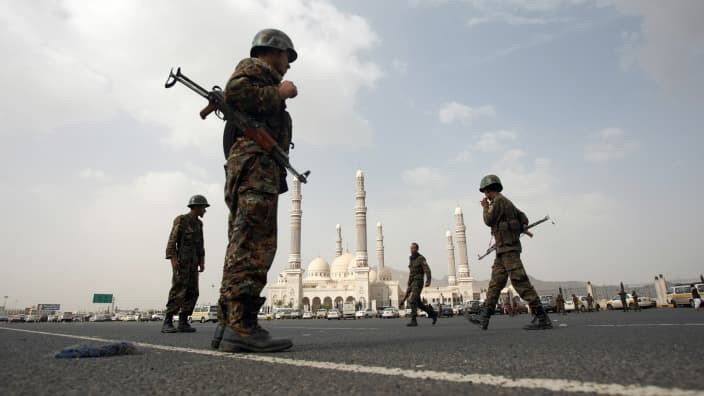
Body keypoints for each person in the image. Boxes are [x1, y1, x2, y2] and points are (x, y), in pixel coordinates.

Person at [214, 29, 298, 353]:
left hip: (251, 167)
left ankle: (229, 322)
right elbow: (236, 93)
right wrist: (280, 93)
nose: (288, 65)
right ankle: (242, 326)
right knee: (255, 244)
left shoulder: (260, 76)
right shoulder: (254, 69)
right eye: (286, 57)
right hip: (255, 167)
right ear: (272, 51)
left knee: (241, 244)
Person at [468, 175, 552, 330]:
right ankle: (484, 317)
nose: (484, 195)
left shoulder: (498, 202)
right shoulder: (506, 202)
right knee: (495, 284)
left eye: (485, 191)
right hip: (502, 251)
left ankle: (542, 317)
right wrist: (522, 226)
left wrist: (485, 207)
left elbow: (488, 220)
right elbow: (523, 216)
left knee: (520, 282)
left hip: (509, 250)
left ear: (488, 190)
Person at [162, 195, 208, 333]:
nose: (205, 211)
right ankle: (168, 321)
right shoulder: (181, 220)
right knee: (178, 290)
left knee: (193, 292)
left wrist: (202, 261)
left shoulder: (199, 224)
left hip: (193, 263)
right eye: (203, 208)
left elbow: (201, 244)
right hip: (181, 262)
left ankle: (183, 321)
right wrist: (173, 260)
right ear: (196, 207)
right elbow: (172, 241)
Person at [399, 243, 438, 327]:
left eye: (413, 248)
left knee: (413, 300)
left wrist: (428, 280)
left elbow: (427, 270)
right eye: (411, 248)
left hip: (418, 281)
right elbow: (411, 272)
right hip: (412, 281)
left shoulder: (421, 258)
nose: (412, 250)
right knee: (419, 303)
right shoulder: (411, 259)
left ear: (417, 249)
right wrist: (403, 300)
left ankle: (414, 320)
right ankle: (433, 314)